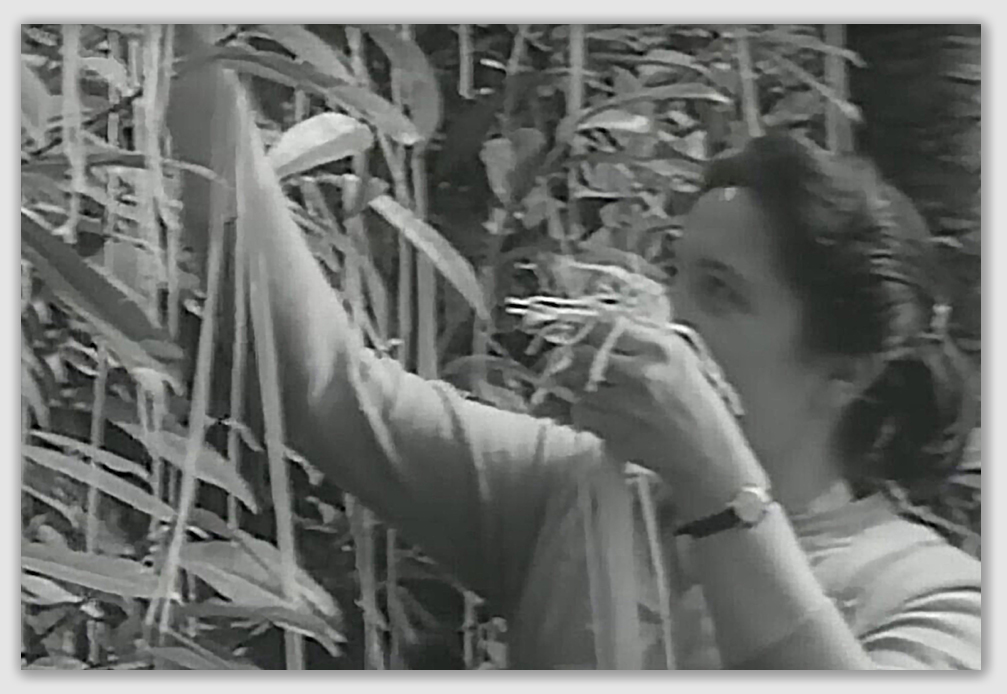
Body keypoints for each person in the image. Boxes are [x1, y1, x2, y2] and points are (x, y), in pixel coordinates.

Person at [170, 51, 981, 669]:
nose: (666, 311)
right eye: (673, 272)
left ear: (846, 371)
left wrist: (716, 486)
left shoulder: (933, 596)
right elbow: (323, 387)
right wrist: (197, 54)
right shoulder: (572, 492)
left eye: (720, 292)